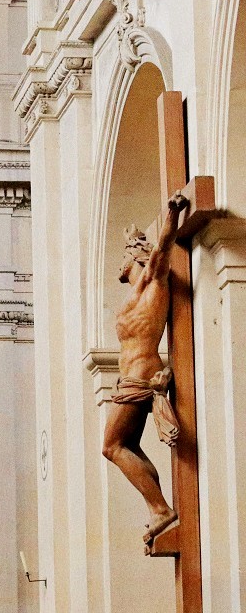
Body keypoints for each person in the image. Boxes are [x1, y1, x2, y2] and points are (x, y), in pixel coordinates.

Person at [104, 193, 189, 549]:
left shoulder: (155, 280)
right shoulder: (135, 294)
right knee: (128, 445)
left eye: (125, 255)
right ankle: (158, 507)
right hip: (130, 377)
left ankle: (161, 508)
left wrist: (172, 213)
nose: (120, 264)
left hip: (141, 375)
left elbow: (165, 246)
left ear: (137, 256)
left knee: (111, 446)